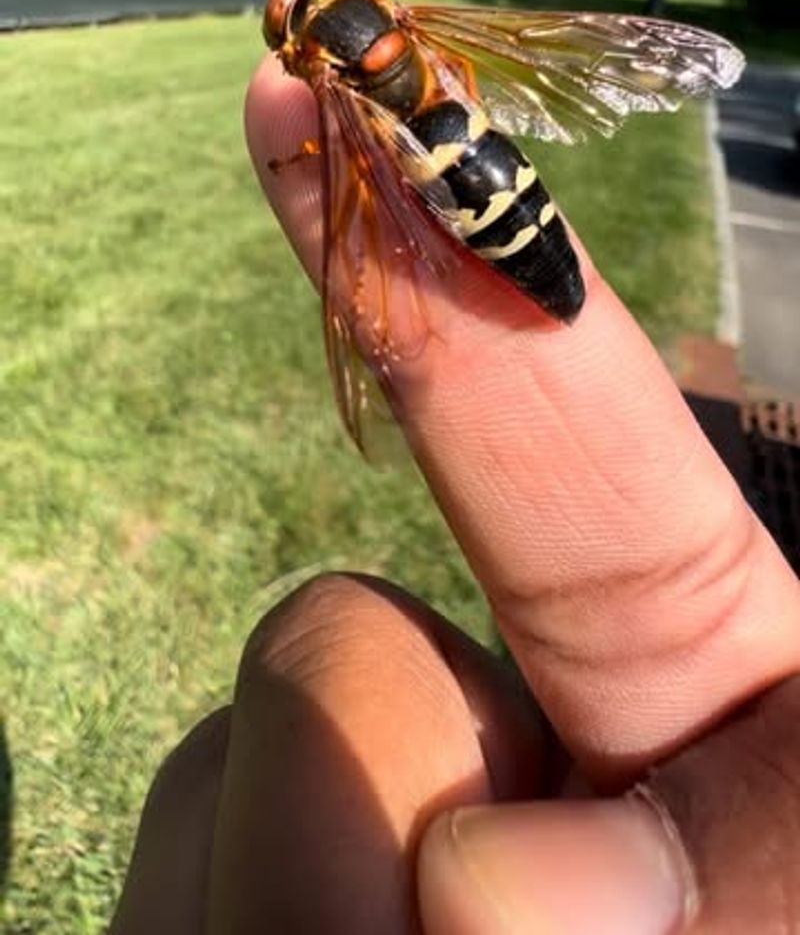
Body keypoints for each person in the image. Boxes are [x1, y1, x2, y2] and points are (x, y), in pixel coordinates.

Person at [111, 56, 800, 934]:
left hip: (482, 204)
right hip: (492, 175)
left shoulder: (334, 101)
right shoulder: (409, 46)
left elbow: (345, 165)